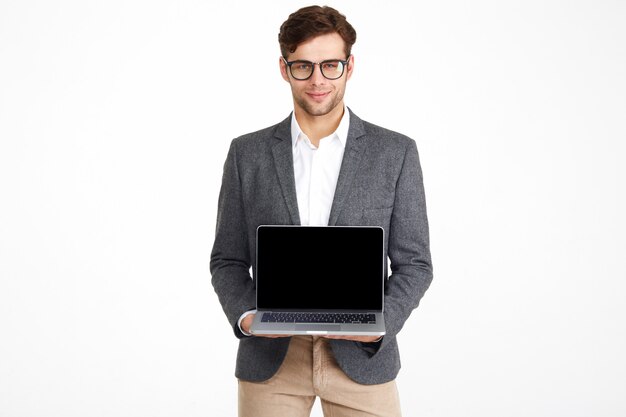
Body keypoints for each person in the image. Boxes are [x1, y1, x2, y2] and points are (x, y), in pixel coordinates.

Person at [210, 5, 432, 417]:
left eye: (330, 65)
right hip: (271, 361)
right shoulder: (248, 154)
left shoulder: (395, 153)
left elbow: (415, 263)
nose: (317, 80)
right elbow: (227, 258)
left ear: (349, 67)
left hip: (363, 360)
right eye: (303, 66)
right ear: (284, 68)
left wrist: (380, 324)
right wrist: (246, 318)